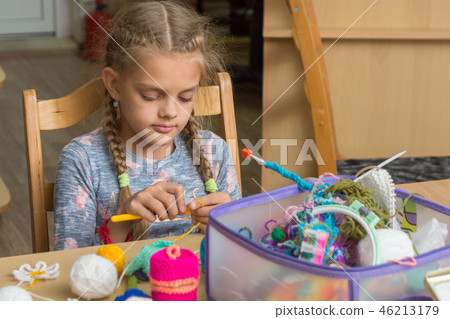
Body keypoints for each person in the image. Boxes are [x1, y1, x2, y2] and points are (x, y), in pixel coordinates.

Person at [54, 0, 241, 250]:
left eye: (186, 97)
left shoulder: (213, 151)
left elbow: (241, 247)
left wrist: (230, 227)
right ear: (114, 85)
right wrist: (122, 220)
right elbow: (71, 269)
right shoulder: (82, 160)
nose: (170, 112)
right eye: (151, 96)